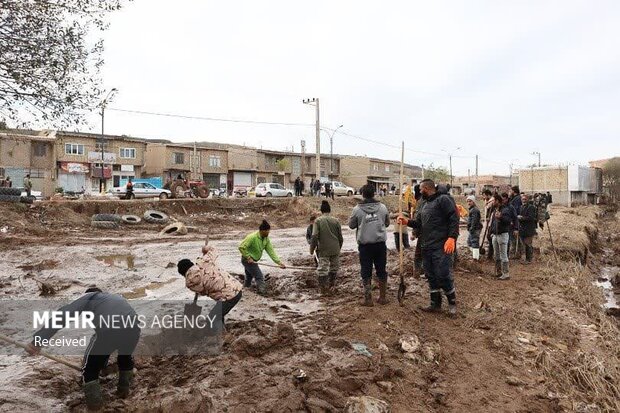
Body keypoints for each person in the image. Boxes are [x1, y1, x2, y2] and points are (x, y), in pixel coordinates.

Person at [26, 288, 140, 410]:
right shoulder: (113, 298)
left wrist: (37, 341)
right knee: (125, 357)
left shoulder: (89, 297)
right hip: (134, 326)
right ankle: (124, 391)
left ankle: (95, 407)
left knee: (89, 369)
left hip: (110, 328)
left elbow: (62, 316)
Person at [398, 179, 459, 316]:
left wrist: (451, 237)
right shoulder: (425, 204)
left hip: (441, 245)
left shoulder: (443, 200)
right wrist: (407, 222)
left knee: (443, 274)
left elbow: (453, 218)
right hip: (427, 245)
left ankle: (452, 303)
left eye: (420, 189)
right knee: (430, 275)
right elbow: (419, 224)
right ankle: (435, 304)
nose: (419, 192)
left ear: (426, 188)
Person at [177, 239, 243, 328]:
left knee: (212, 319)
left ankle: (221, 337)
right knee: (218, 313)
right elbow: (214, 250)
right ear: (191, 264)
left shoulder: (189, 284)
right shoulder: (204, 261)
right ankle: (222, 329)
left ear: (182, 273)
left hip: (228, 297)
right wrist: (206, 249)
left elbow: (203, 292)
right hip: (237, 288)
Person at [349, 184, 390, 306]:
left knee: (366, 271)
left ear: (362, 194)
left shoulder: (357, 209)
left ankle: (368, 299)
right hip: (380, 244)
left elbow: (351, 225)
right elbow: (387, 223)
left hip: (365, 246)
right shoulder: (382, 208)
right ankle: (382, 298)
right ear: (374, 193)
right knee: (381, 269)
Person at [238, 220, 285, 295]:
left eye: (269, 230)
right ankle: (262, 293)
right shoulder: (252, 237)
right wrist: (248, 257)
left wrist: (279, 262)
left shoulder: (266, 239)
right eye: (267, 231)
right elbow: (241, 247)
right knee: (259, 276)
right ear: (261, 230)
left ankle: (244, 291)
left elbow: (271, 251)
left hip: (254, 260)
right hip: (248, 260)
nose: (268, 232)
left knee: (249, 277)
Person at [310, 200, 343, 294]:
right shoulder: (336, 221)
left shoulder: (318, 221)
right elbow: (340, 237)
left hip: (324, 249)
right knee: (334, 268)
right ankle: (332, 286)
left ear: (321, 211)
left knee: (322, 269)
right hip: (335, 248)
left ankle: (323, 290)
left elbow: (314, 236)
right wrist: (338, 248)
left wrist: (312, 249)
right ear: (330, 210)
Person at [491, 194, 512, 280]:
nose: (492, 202)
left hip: (502, 235)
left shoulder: (505, 210)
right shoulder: (495, 210)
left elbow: (508, 221)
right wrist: (492, 232)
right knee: (496, 255)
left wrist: (501, 217)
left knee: (503, 255)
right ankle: (499, 272)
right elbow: (493, 223)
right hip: (495, 234)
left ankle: (506, 273)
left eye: (493, 200)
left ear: (497, 201)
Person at [518, 193, 537, 263]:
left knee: (528, 245)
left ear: (528, 200)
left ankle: (529, 259)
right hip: (522, 229)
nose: (524, 200)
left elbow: (531, 218)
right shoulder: (521, 207)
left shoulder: (531, 207)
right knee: (524, 245)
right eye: (523, 199)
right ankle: (526, 258)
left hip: (529, 229)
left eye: (525, 199)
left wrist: (521, 218)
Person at [466, 195, 482, 260]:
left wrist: (472, 228)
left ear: (473, 202)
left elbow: (474, 220)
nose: (469, 203)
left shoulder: (474, 210)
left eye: (470, 201)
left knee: (474, 243)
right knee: (470, 242)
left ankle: (476, 258)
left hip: (474, 229)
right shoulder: (473, 209)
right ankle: (475, 256)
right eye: (468, 201)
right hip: (473, 229)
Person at [508, 186, 522, 258]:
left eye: (511, 191)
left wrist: (513, 220)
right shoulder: (514, 198)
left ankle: (515, 253)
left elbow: (516, 210)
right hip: (514, 220)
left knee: (513, 237)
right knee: (515, 237)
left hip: (514, 220)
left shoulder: (517, 198)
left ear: (514, 191)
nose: (510, 192)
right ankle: (517, 252)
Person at [482, 189, 495, 260]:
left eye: (484, 195)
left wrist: (488, 217)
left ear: (488, 195)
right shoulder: (486, 201)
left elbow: (491, 212)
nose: (483, 197)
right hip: (487, 221)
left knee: (489, 237)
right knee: (487, 237)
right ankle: (489, 253)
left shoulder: (492, 201)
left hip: (491, 222)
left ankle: (490, 254)